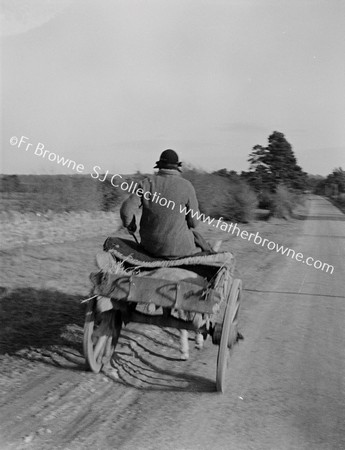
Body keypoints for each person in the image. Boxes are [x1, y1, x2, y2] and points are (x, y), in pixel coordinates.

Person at [120, 149, 214, 258]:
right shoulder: (187, 186)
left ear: (159, 166)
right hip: (180, 249)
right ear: (177, 167)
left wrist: (131, 226)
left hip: (149, 248)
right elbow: (194, 223)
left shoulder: (146, 184)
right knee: (201, 243)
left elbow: (126, 211)